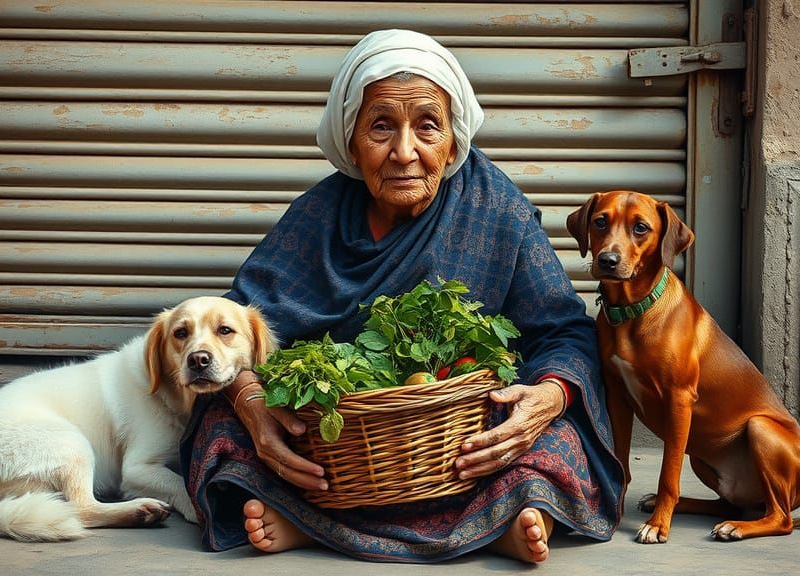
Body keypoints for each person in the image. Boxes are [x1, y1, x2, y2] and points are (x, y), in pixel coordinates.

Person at [180, 28, 624, 564]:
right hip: (335, 447)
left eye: (428, 127)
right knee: (221, 421)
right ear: (350, 140)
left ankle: (481, 516)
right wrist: (252, 405)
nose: (405, 153)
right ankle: (467, 526)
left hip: (458, 446)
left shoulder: (498, 211)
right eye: (381, 127)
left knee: (559, 434)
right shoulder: (317, 216)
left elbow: (564, 329)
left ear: (455, 140)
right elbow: (236, 323)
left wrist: (545, 400)